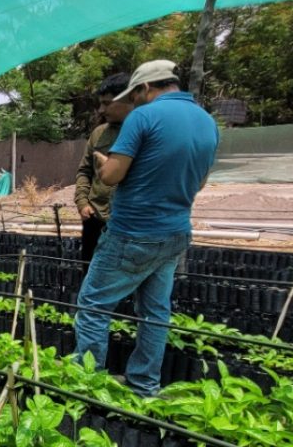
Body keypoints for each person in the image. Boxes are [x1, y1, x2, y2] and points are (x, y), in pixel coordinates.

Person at [72, 60, 219, 397]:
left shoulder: (144, 116)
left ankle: (85, 386)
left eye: (134, 95)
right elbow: (200, 182)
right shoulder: (207, 122)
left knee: (94, 305)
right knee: (155, 312)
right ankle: (144, 385)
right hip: (176, 232)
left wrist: (101, 162)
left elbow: (110, 176)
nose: (133, 102)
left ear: (145, 88)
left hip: (133, 230)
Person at [74, 73, 133, 265]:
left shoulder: (144, 132)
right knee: (89, 272)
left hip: (128, 221)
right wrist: (83, 202)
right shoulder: (99, 134)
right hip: (95, 217)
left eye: (107, 104)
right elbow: (84, 171)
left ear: (130, 99)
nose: (101, 109)